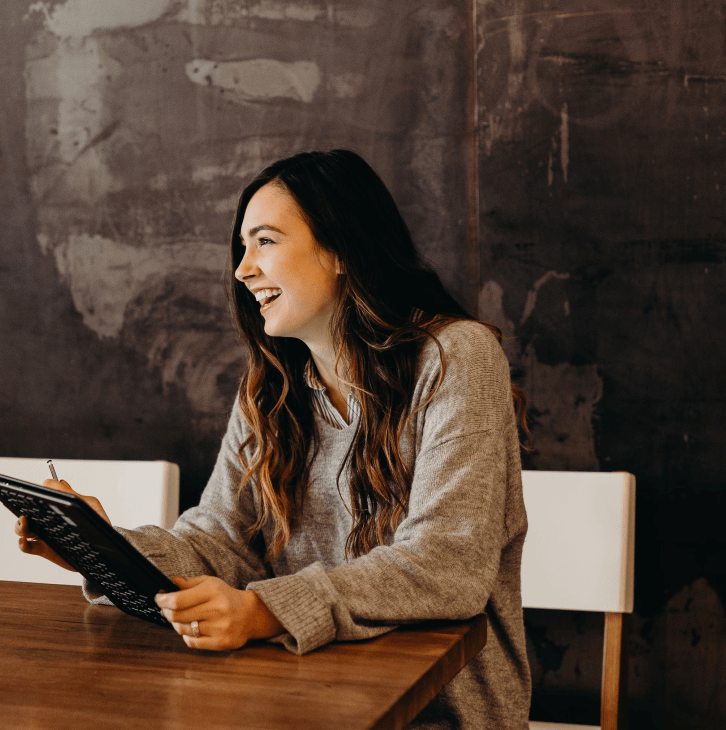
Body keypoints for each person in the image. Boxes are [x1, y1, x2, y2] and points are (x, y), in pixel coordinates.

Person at [16, 150, 531, 729]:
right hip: (295, 699)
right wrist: (104, 549)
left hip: (435, 714)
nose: (242, 269)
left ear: (339, 249)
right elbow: (220, 544)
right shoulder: (270, 390)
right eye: (242, 247)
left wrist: (263, 611)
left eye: (264, 241)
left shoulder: (456, 358)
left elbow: (446, 564)